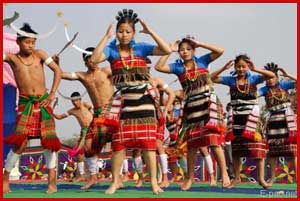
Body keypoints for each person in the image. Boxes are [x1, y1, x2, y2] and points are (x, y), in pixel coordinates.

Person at [90, 9, 171, 194]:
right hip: (123, 103)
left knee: (149, 146)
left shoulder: (141, 48)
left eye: (127, 31)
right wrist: (106, 36)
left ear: (133, 33)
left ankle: (153, 182)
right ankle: (115, 181)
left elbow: (166, 49)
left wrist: (150, 32)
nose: (124, 35)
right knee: (118, 145)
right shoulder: (111, 50)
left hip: (144, 102)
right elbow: (94, 59)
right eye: (120, 31)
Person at [155, 37, 230, 190]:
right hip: (192, 108)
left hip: (208, 105)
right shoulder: (178, 68)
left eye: (188, 49)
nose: (185, 52)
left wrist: (201, 43)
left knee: (214, 141)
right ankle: (189, 178)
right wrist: (170, 49)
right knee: (192, 144)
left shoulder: (202, 61)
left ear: (194, 50)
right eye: (182, 50)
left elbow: (220, 51)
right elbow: (159, 66)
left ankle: (224, 174)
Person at [3, 23, 62, 194]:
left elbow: (57, 71)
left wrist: (51, 94)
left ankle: (52, 183)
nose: (31, 45)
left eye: (33, 42)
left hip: (43, 103)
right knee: (19, 144)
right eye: (28, 42)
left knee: (48, 143)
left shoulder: (40, 55)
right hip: (25, 105)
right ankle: (5, 180)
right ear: (18, 42)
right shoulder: (11, 58)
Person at [53, 46, 114, 190]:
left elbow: (124, 72)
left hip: (112, 111)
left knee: (118, 145)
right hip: (98, 115)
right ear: (85, 62)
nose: (93, 62)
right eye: (89, 59)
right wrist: (57, 64)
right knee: (87, 147)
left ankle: (118, 179)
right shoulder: (83, 76)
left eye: (95, 58)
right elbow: (61, 74)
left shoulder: (107, 71)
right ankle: (93, 177)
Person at [210, 54, 275, 188]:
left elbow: (270, 75)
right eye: (238, 66)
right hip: (236, 120)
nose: (241, 69)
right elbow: (211, 78)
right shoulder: (231, 80)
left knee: (258, 149)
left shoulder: (254, 78)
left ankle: (261, 179)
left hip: (252, 118)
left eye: (243, 66)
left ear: (248, 67)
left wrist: (256, 69)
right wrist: (223, 68)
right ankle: (236, 178)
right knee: (236, 151)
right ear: (235, 67)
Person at [258, 63, 297, 185]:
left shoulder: (283, 85)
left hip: (287, 121)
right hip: (273, 122)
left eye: (272, 77)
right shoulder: (264, 90)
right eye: (267, 78)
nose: (269, 80)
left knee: (292, 151)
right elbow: (253, 95)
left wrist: (288, 75)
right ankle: (273, 177)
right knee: (273, 151)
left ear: (277, 78)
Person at [53, 92, 94, 182]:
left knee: (91, 152)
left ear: (80, 100)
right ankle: (82, 175)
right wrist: (52, 113)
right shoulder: (72, 111)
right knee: (79, 153)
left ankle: (93, 176)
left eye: (76, 100)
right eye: (73, 101)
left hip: (94, 129)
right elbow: (60, 117)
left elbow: (96, 112)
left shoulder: (86, 105)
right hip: (84, 132)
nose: (75, 103)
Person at [152, 76, 175, 188]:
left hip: (156, 120)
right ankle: (145, 178)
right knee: (141, 151)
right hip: (142, 118)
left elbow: (172, 95)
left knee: (159, 147)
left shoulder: (155, 81)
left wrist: (161, 93)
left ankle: (165, 178)